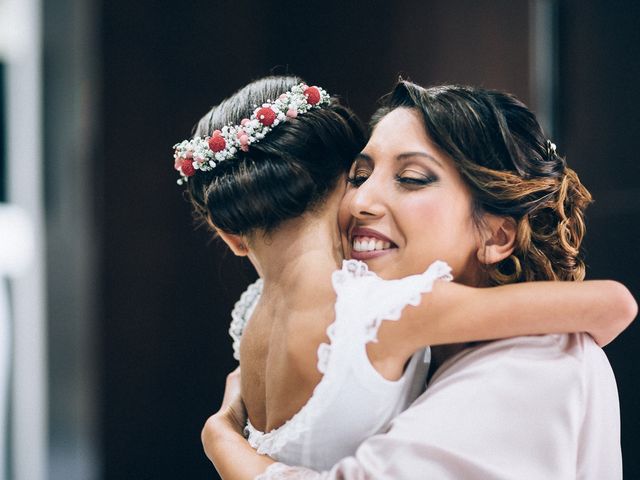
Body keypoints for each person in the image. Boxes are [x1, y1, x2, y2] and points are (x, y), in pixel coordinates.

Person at [197, 80, 636, 479]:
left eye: (410, 179)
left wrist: (222, 439)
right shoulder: (386, 336)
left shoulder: (537, 362)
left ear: (496, 234)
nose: (361, 201)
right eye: (358, 176)